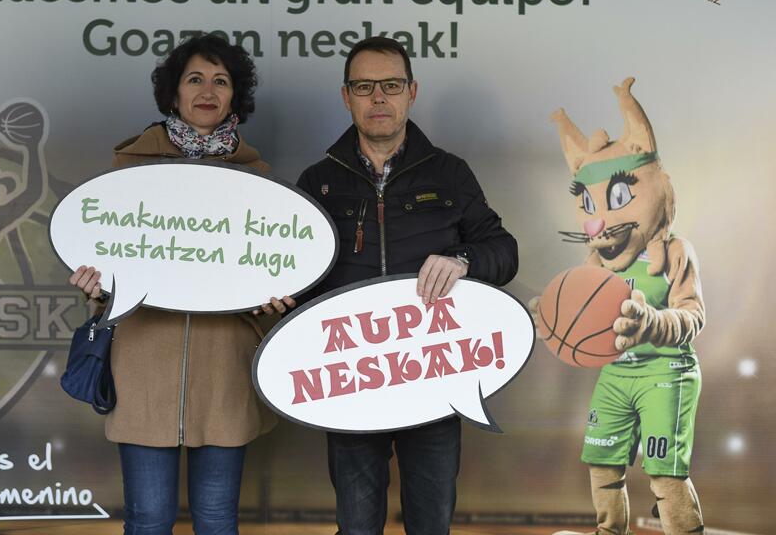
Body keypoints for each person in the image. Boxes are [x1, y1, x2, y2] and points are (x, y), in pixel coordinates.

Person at [69, 34, 292, 535]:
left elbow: (270, 275)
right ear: (174, 94)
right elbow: (111, 269)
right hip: (144, 368)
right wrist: (95, 288)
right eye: (195, 79)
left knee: (216, 521)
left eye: (221, 81)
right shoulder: (128, 172)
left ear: (236, 96)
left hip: (225, 374)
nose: (207, 90)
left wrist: (274, 303)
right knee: (148, 521)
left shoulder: (258, 181)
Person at [295, 37, 518, 535]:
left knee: (431, 524)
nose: (378, 97)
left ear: (411, 92)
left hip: (434, 380)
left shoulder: (450, 173)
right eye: (364, 86)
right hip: (350, 380)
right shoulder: (318, 182)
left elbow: (503, 251)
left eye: (391, 85)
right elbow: (296, 277)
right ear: (345, 95)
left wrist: (463, 259)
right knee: (356, 527)